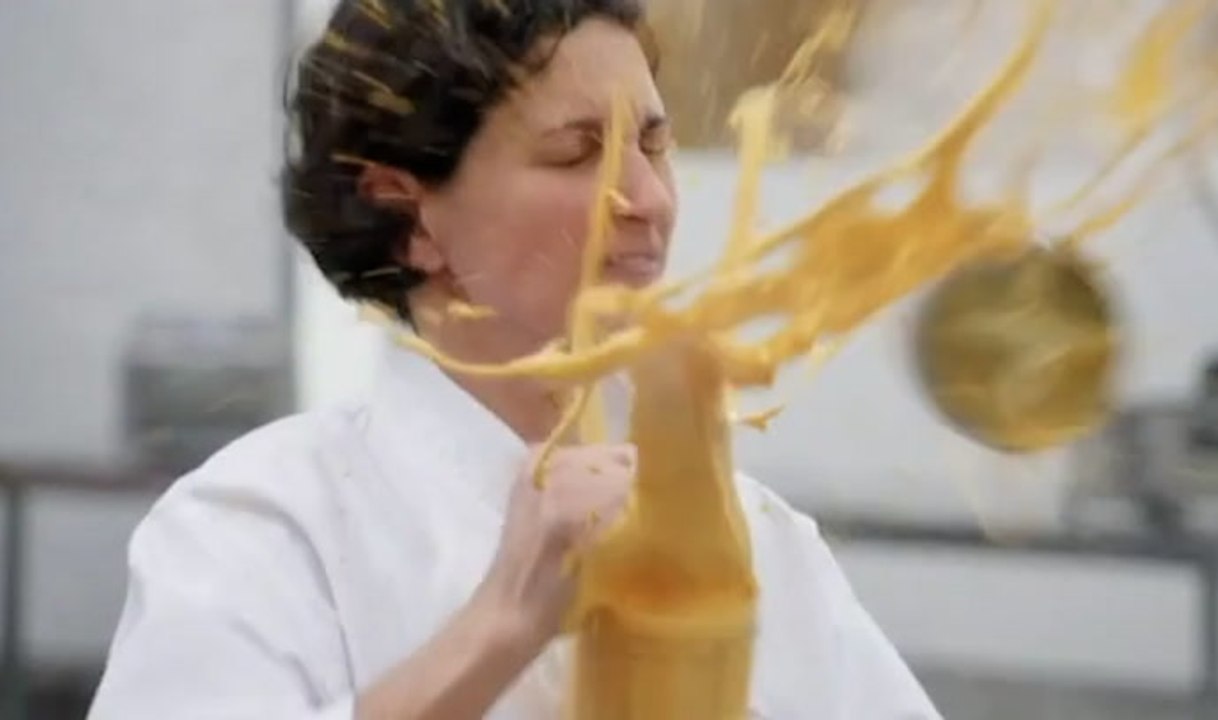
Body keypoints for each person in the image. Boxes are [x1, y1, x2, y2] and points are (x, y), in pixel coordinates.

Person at [89, 1, 942, 718]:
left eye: (653, 144)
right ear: (411, 216)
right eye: (578, 153)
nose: (647, 201)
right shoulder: (259, 528)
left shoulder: (758, 544)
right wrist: (502, 624)